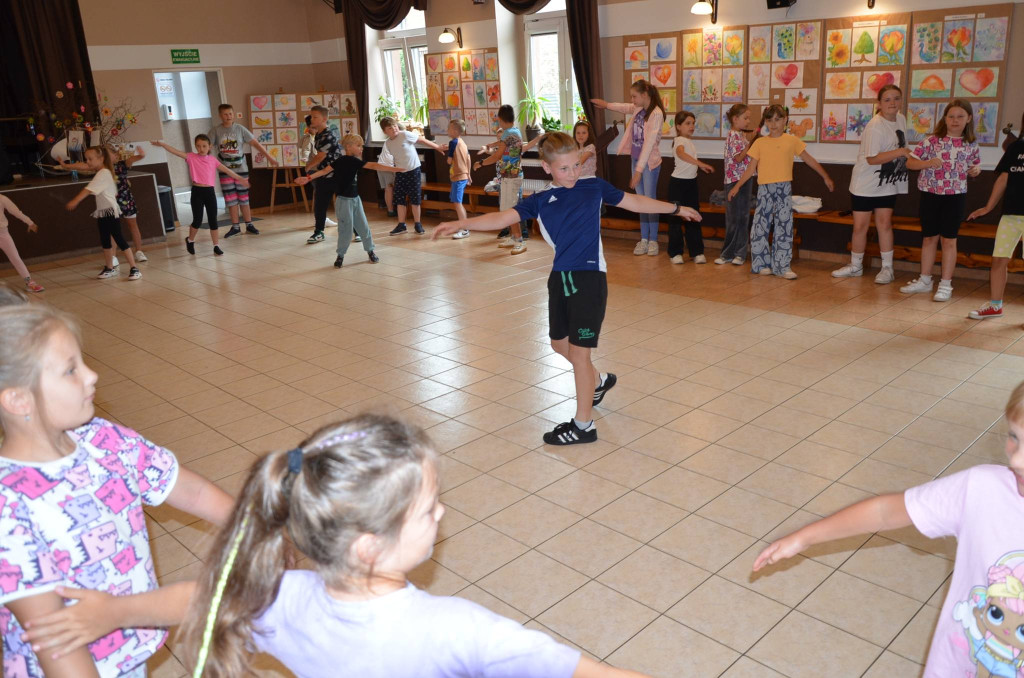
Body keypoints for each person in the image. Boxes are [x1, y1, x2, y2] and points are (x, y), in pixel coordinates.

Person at [181, 413, 652, 678]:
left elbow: (192, 597)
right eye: (428, 509)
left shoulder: (279, 597)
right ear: (369, 547)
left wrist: (114, 611)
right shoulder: (457, 631)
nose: (442, 512)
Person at [0, 298, 234, 677]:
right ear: (17, 399)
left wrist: (258, 528)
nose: (91, 376)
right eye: (70, 370)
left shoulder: (105, 441)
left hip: (127, 651)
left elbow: (193, 493)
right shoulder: (9, 507)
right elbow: (56, 645)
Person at [434, 133, 701, 445]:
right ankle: (598, 382)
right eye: (564, 169)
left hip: (588, 279)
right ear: (547, 169)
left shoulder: (594, 187)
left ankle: (583, 425)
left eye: (576, 165)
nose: (573, 173)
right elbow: (501, 218)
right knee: (558, 344)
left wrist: (675, 208)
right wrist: (461, 223)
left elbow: (635, 201)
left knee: (580, 354)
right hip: (560, 277)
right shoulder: (540, 201)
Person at [753, 380, 1024, 678]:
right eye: (1014, 436)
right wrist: (803, 538)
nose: (1015, 459)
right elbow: (885, 512)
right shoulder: (982, 489)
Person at [728, 105, 834, 280]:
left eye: (778, 119)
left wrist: (825, 176)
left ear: (785, 120)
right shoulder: (760, 142)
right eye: (769, 120)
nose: (773, 124)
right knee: (760, 227)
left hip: (784, 189)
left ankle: (782, 265)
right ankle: (761, 263)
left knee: (784, 227)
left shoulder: (791, 141)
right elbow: (750, 169)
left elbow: (809, 159)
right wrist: (737, 186)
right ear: (765, 122)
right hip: (765, 189)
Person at [900, 99, 981, 302]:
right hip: (930, 194)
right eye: (951, 116)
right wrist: (927, 163)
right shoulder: (931, 141)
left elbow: (975, 168)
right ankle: (925, 280)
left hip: (955, 197)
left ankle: (945, 284)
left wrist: (975, 170)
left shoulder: (970, 144)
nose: (955, 120)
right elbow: (910, 163)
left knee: (949, 240)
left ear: (969, 119)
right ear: (945, 118)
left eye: (960, 116)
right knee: (929, 238)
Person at [832, 84, 910, 284]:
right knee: (860, 226)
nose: (892, 103)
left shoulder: (901, 119)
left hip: (887, 182)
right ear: (879, 104)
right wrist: (900, 152)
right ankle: (856, 266)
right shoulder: (875, 126)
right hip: (865, 184)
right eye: (887, 99)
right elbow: (872, 159)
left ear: (901, 101)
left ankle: (887, 268)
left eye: (896, 98)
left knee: (885, 224)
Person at [297, 134, 401, 267]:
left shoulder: (353, 161)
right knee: (345, 230)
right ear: (348, 147)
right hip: (343, 202)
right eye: (359, 146)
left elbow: (324, 171)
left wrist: (308, 178)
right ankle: (340, 255)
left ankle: (370, 251)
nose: (361, 148)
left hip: (356, 200)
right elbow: (324, 171)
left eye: (362, 146)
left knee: (364, 228)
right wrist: (395, 169)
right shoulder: (346, 160)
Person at [591, 80, 666, 256]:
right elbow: (624, 107)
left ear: (645, 95)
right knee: (640, 201)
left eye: (634, 96)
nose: (632, 99)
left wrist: (639, 171)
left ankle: (653, 240)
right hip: (636, 160)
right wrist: (606, 105)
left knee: (650, 201)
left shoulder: (656, 114)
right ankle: (644, 239)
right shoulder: (638, 108)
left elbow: (648, 144)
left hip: (649, 164)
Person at [152, 136, 250, 257]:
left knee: (213, 220)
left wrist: (240, 178)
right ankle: (190, 240)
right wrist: (162, 144)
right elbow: (175, 152)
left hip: (210, 192)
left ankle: (216, 246)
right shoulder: (191, 157)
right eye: (198, 146)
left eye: (204, 146)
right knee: (197, 220)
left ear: (210, 147)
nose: (201, 148)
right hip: (197, 192)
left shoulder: (213, 160)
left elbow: (227, 170)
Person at [967, 129, 1024, 320]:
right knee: (999, 260)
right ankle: (995, 305)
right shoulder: (1016, 147)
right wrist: (988, 208)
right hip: (1011, 215)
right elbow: (1003, 178)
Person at [61, 145, 150, 262]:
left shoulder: (123, 164)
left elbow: (134, 158)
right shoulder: (102, 169)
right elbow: (83, 166)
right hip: (111, 203)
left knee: (132, 225)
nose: (106, 157)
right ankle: (113, 257)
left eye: (107, 155)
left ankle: (139, 251)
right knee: (113, 231)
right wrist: (66, 165)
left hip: (125, 200)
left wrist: (142, 155)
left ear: (116, 155)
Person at [208, 103, 276, 238]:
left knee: (243, 198)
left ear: (233, 115)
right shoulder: (215, 131)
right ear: (220, 116)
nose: (228, 117)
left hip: (241, 168)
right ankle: (235, 227)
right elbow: (208, 147)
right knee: (231, 199)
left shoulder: (240, 129)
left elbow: (255, 143)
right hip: (225, 170)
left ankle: (249, 224)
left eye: (230, 114)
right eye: (225, 114)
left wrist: (269, 156)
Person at [471, 104, 528, 254]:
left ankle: (520, 241)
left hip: (511, 176)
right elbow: (504, 144)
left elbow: (497, 155)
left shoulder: (507, 134)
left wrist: (481, 163)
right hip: (510, 176)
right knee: (506, 210)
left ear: (501, 119)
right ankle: (514, 237)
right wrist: (493, 144)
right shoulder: (514, 131)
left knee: (509, 211)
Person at [382, 116, 444, 237]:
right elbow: (394, 158)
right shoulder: (388, 143)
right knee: (400, 199)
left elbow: (421, 140)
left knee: (415, 199)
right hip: (400, 173)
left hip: (413, 171)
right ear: (385, 131)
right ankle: (401, 225)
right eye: (390, 128)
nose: (394, 129)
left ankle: (418, 224)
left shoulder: (404, 135)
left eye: (395, 126)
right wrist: (394, 170)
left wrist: (437, 147)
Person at [667, 111, 713, 265]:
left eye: (693, 123)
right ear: (678, 126)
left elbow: (688, 158)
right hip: (677, 184)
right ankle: (675, 253)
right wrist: (701, 164)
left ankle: (697, 252)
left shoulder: (689, 142)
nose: (691, 126)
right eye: (687, 123)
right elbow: (680, 154)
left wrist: (699, 166)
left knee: (693, 217)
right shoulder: (679, 140)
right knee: (675, 219)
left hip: (691, 184)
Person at [717, 104, 757, 266]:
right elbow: (739, 158)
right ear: (735, 119)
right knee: (733, 218)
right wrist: (751, 142)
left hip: (745, 180)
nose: (748, 122)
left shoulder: (740, 135)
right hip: (733, 181)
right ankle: (728, 253)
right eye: (745, 118)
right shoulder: (733, 135)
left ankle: (739, 253)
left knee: (742, 217)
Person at [306, 106, 343, 244]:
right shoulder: (319, 134)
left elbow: (321, 155)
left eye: (315, 117)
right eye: (311, 116)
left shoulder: (328, 135)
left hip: (337, 175)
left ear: (324, 119)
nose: (312, 119)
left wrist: (309, 165)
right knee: (320, 205)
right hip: (323, 175)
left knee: (344, 204)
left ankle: (356, 231)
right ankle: (319, 232)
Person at [524, 120, 598, 178]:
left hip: (587, 180)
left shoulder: (590, 147)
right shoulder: (574, 148)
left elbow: (579, 162)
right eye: (578, 133)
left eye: (584, 133)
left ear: (589, 134)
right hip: (576, 179)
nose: (580, 135)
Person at [0, 194, 44, 292]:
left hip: (2, 233)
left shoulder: (2, 199)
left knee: (15, 258)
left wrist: (30, 222)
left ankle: (29, 282)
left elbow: (16, 212)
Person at [444, 119, 473, 239]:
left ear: (455, 130)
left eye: (449, 128)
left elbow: (449, 161)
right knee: (457, 203)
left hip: (458, 176)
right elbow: (469, 159)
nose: (447, 130)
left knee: (458, 203)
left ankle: (465, 229)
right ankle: (463, 226)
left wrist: (449, 156)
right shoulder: (462, 142)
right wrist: (469, 175)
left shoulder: (453, 143)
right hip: (463, 175)